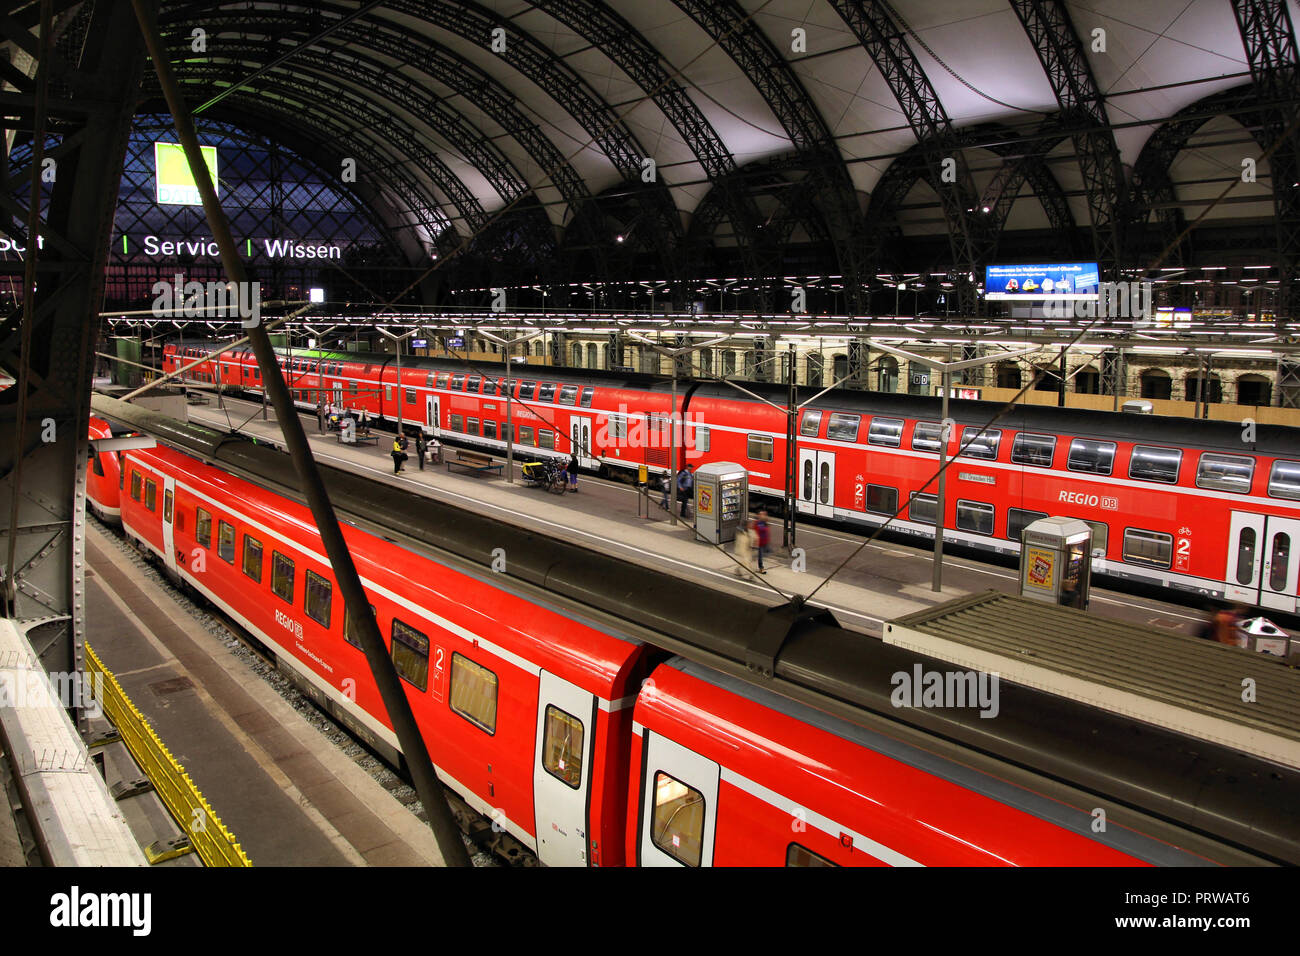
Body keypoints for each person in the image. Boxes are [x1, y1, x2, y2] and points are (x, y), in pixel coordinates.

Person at [754, 509, 770, 573]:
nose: (762, 516)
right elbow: (755, 532)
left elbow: (766, 532)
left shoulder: (765, 523)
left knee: (761, 555)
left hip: (764, 542)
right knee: (759, 556)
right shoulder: (756, 523)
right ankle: (761, 568)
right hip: (758, 542)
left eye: (763, 514)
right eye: (761, 514)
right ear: (758, 515)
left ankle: (760, 567)